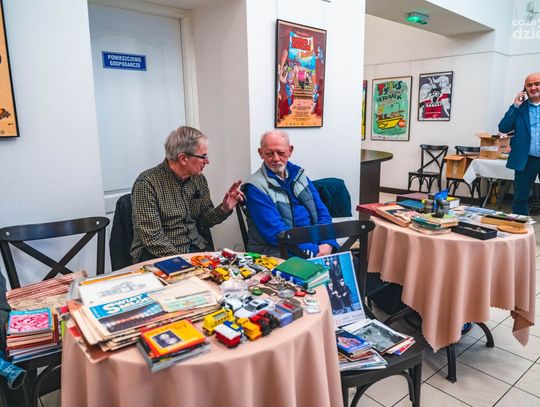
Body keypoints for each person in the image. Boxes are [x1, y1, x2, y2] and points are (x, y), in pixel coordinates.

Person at [130, 126, 244, 263]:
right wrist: (185, 263)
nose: (207, 161)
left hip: (195, 247)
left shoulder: (198, 179)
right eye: (203, 156)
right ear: (183, 158)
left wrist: (224, 208)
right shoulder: (147, 183)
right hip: (158, 255)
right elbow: (152, 238)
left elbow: (204, 221)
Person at [243, 130, 337, 257]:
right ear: (261, 153)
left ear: (290, 150)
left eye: (281, 153)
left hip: (313, 245)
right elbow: (277, 233)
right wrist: (314, 251)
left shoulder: (299, 175)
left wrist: (328, 243)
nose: (276, 159)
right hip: (277, 251)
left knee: (352, 262)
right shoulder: (255, 187)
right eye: (269, 154)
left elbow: (322, 212)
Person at [498, 72, 540, 215]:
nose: (533, 88)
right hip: (525, 160)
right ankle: (519, 226)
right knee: (520, 198)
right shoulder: (519, 107)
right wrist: (515, 106)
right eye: (529, 85)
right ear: (525, 89)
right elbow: (503, 128)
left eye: (537, 84)